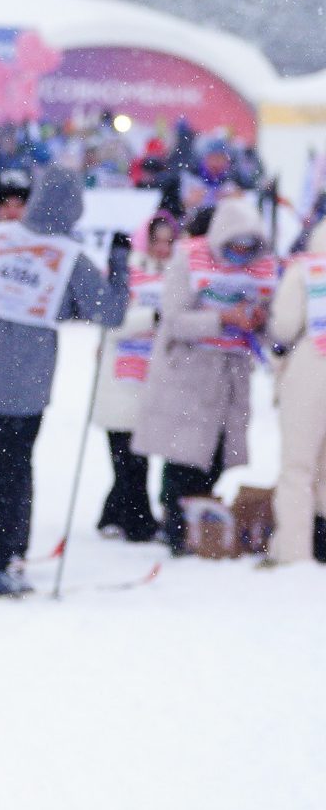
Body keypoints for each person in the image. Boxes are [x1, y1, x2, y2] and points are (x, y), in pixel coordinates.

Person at [0, 166, 129, 594]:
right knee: (11, 468)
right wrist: (119, 263)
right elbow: (109, 312)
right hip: (24, 380)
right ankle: (1, 556)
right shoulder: (68, 256)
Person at [132, 196, 274, 555]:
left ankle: (200, 519)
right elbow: (175, 320)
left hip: (232, 374)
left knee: (217, 452)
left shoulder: (262, 270)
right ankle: (177, 524)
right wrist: (222, 319)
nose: (241, 252)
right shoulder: (188, 260)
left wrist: (258, 322)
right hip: (190, 373)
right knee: (183, 454)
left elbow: (271, 327)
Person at [92, 212, 176, 542]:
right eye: (157, 241)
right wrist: (151, 318)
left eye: (169, 241)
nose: (163, 248)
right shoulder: (125, 272)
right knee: (125, 455)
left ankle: (115, 514)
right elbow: (112, 321)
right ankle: (137, 520)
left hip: (154, 374)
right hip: (121, 375)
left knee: (139, 455)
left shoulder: (175, 273)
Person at [267, 223, 326, 565]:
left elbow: (284, 326)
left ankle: (293, 550)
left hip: (311, 365)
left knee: (297, 467)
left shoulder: (305, 271)